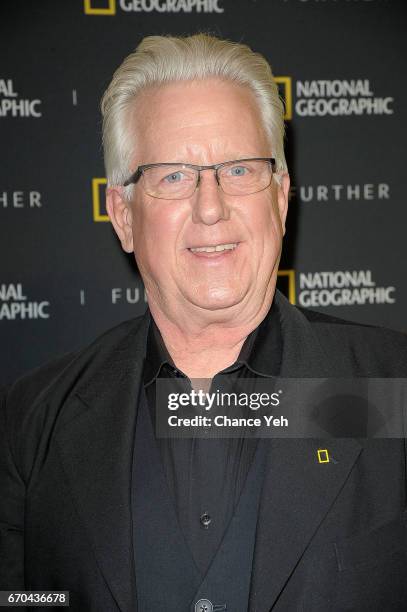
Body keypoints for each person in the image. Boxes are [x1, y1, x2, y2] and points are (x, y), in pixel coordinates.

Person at [1, 33, 407, 612]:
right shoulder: (30, 423)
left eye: (240, 169)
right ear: (122, 215)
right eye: (173, 176)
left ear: (281, 199)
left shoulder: (395, 389)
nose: (211, 207)